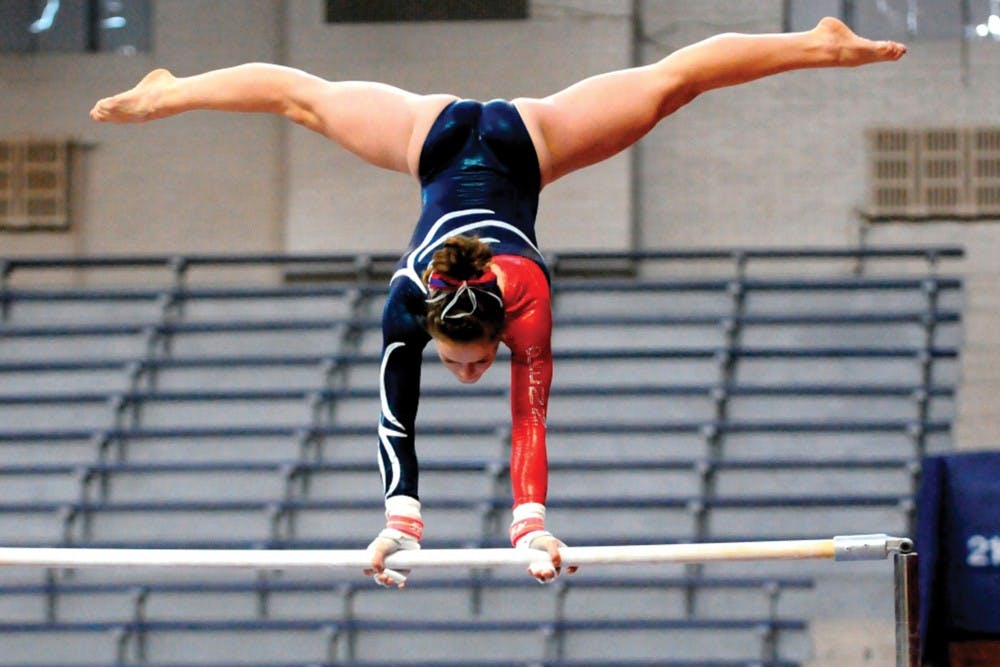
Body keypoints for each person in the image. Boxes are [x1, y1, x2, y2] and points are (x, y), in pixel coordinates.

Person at [90, 17, 906, 587]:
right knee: (299, 96)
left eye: (473, 361)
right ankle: (171, 88)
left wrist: (528, 520)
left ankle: (815, 43)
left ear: (498, 329)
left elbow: (528, 415)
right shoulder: (412, 300)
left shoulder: (521, 303)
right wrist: (408, 520)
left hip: (473, 140)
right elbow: (394, 415)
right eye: (464, 362)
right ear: (444, 327)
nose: (471, 372)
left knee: (672, 86)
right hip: (496, 139)